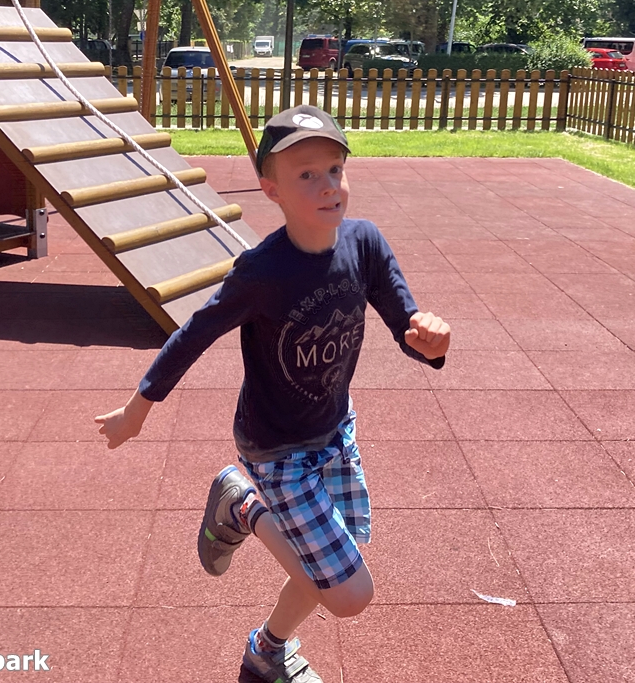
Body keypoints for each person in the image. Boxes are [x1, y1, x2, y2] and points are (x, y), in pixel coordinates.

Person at [95, 105, 451, 683]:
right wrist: (138, 410)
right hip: (276, 448)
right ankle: (243, 505)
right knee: (347, 592)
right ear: (271, 189)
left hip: (334, 430)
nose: (328, 185)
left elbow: (407, 326)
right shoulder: (262, 272)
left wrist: (431, 342)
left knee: (342, 553)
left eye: (335, 169)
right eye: (306, 174)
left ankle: (266, 650)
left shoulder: (364, 243)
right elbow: (194, 333)